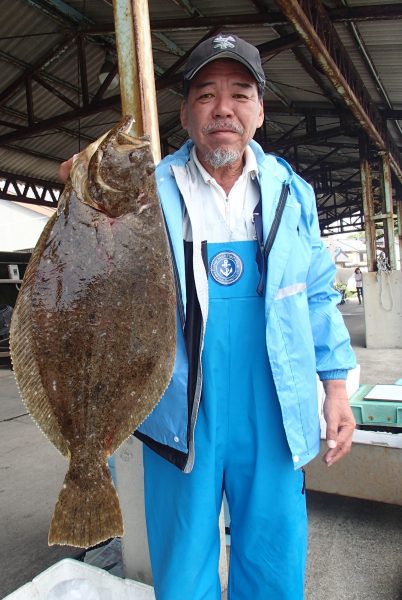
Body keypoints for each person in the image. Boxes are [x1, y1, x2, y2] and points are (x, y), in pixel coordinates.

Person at [59, 33, 356, 600]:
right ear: (184, 114)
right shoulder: (145, 188)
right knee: (183, 566)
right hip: (177, 410)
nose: (224, 108)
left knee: (273, 562)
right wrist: (82, 192)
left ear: (260, 111)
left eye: (240, 94)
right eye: (206, 94)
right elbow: (89, 272)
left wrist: (335, 391)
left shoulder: (294, 194)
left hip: (273, 408)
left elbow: (317, 296)